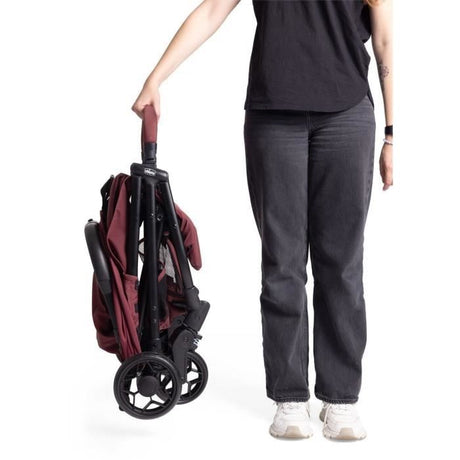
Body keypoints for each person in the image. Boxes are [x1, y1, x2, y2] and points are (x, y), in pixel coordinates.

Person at [132, 0, 393, 441]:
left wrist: (391, 134)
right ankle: (289, 397)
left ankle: (341, 399)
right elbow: (213, 10)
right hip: (274, 116)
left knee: (342, 264)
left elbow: (384, 37)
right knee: (282, 263)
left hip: (346, 115)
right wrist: (155, 78)